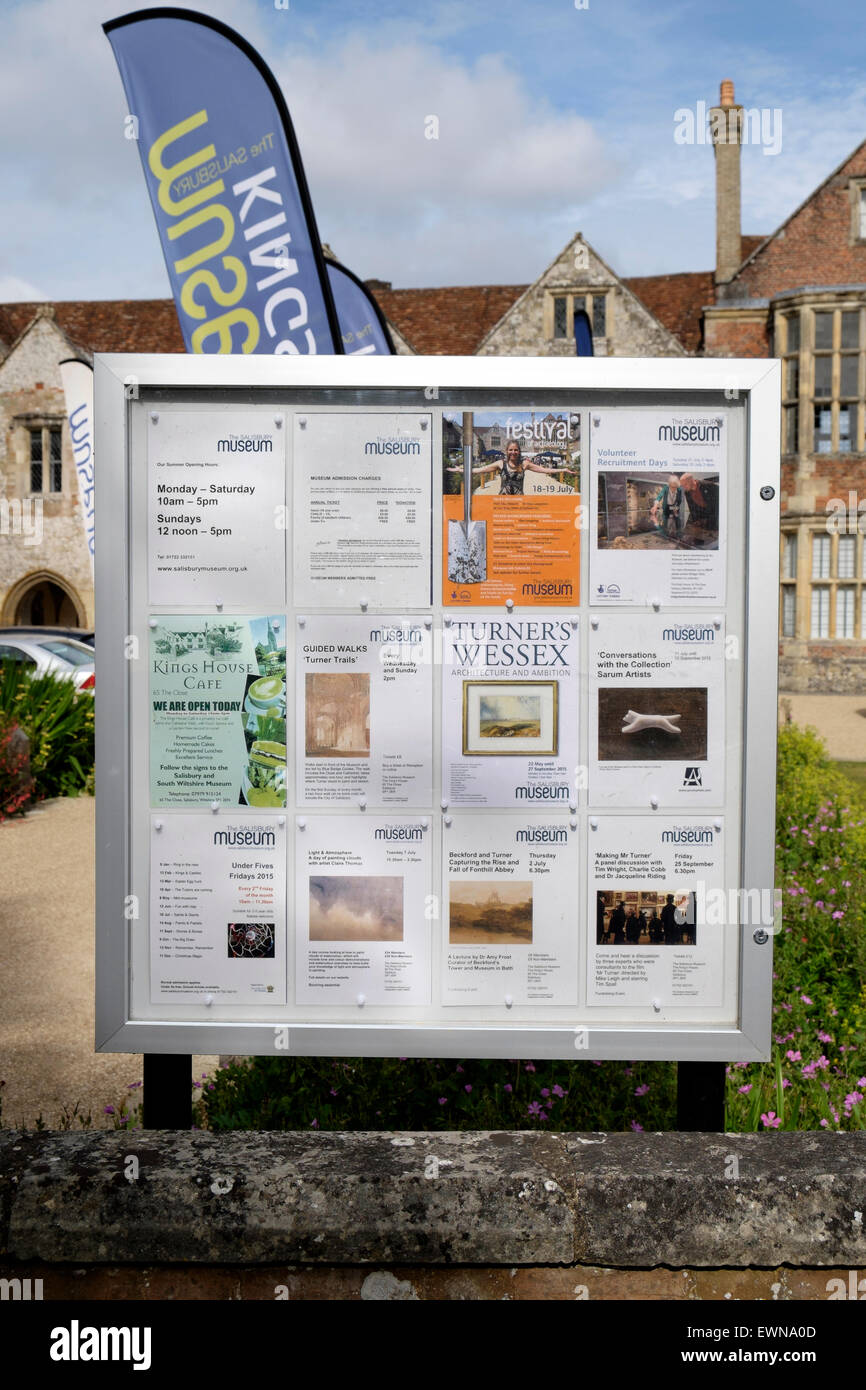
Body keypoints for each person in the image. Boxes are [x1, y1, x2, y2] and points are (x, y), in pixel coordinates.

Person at [650, 474, 687, 540]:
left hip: (675, 508)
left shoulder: (679, 489)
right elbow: (659, 497)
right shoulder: (665, 488)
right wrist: (655, 507)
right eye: (672, 487)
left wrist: (676, 507)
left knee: (677, 520)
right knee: (665, 519)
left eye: (675, 487)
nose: (673, 489)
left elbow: (679, 500)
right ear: (669, 485)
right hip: (666, 508)